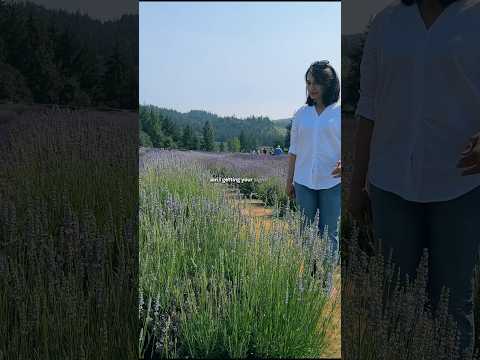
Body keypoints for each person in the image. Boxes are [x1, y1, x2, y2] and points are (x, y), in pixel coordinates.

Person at [348, 0, 480, 355]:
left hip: (460, 185)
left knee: (453, 307)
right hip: (391, 183)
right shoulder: (387, 24)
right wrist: (356, 185)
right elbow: (368, 107)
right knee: (395, 303)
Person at [286, 60, 341, 292]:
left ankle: (325, 281)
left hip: (332, 182)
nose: (312, 87)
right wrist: (288, 181)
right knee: (306, 231)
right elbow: (293, 150)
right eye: (309, 82)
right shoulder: (301, 114)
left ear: (329, 84)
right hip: (304, 181)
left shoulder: (338, 113)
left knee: (329, 234)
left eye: (317, 82)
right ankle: (310, 279)